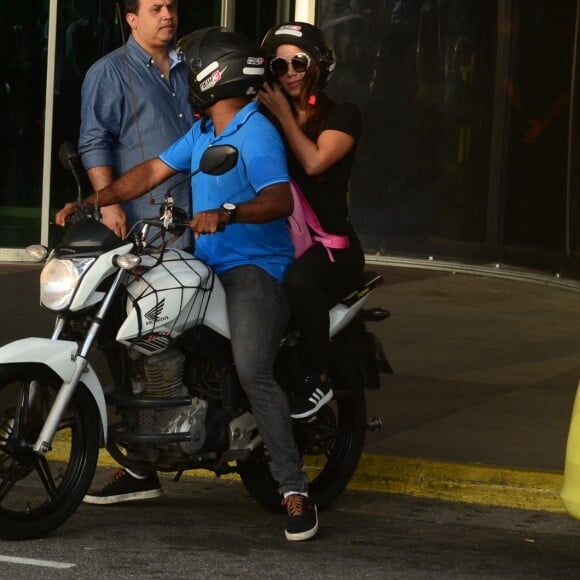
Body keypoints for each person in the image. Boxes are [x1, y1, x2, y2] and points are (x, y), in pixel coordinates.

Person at [56, 26, 318, 542]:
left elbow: (280, 199)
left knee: (252, 368)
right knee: (144, 329)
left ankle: (294, 487)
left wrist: (227, 212)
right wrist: (94, 200)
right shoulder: (202, 132)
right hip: (204, 261)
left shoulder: (255, 131)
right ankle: (144, 461)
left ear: (214, 75)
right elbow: (151, 171)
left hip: (254, 269)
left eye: (194, 65)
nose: (187, 71)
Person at [77, 0, 195, 505]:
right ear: (131, 18)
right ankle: (145, 459)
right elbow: (94, 141)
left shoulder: (192, 66)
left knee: (194, 334)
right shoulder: (109, 72)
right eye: (155, 7)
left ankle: (175, 443)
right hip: (145, 228)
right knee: (136, 338)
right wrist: (109, 206)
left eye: (171, 5)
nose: (167, 14)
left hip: (204, 222)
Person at [259, 22, 365, 419]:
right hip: (283, 241)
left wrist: (285, 116)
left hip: (333, 248)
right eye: (279, 65)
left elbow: (315, 160)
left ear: (317, 66)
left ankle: (316, 377)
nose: (289, 72)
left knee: (300, 280)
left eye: (298, 62)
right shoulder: (265, 119)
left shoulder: (343, 115)